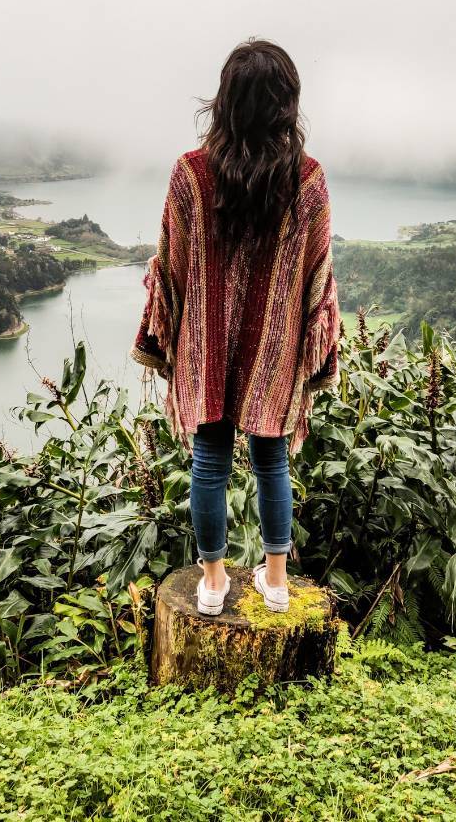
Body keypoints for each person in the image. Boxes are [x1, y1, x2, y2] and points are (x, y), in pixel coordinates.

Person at [130, 38, 340, 616]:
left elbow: (171, 266)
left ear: (224, 101)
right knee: (273, 460)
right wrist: (309, 346)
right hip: (273, 349)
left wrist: (173, 334)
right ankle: (275, 583)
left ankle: (214, 583)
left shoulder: (190, 175)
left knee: (209, 463)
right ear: (286, 104)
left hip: (205, 343)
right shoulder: (309, 179)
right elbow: (316, 277)